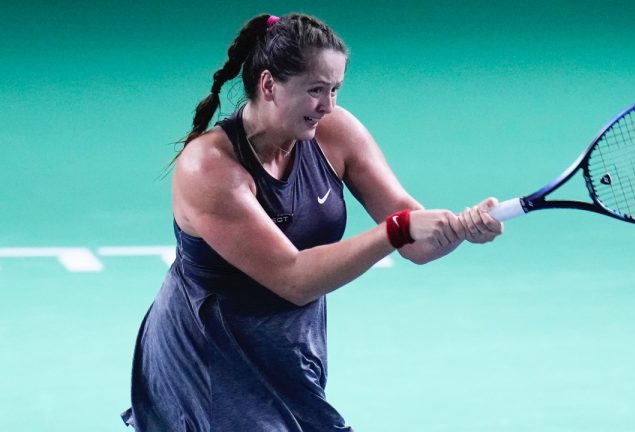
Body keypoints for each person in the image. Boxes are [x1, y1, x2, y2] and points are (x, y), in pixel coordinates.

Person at [122, 12, 502, 432]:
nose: (329, 105)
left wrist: (460, 229)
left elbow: (416, 242)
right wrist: (398, 230)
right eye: (316, 90)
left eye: (335, 89)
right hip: (207, 358)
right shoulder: (209, 168)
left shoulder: (335, 132)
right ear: (268, 85)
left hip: (289, 349)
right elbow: (295, 279)